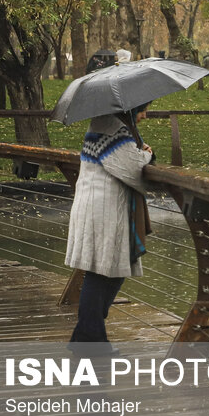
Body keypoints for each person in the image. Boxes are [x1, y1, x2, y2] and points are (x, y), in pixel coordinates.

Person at [65, 102, 154, 349]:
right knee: (101, 273)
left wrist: (139, 150)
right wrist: (148, 154)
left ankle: (87, 334)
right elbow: (132, 169)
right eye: (143, 109)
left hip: (100, 206)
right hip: (103, 209)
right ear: (129, 109)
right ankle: (90, 340)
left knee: (112, 270)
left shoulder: (109, 125)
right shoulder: (112, 129)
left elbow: (125, 160)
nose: (145, 115)